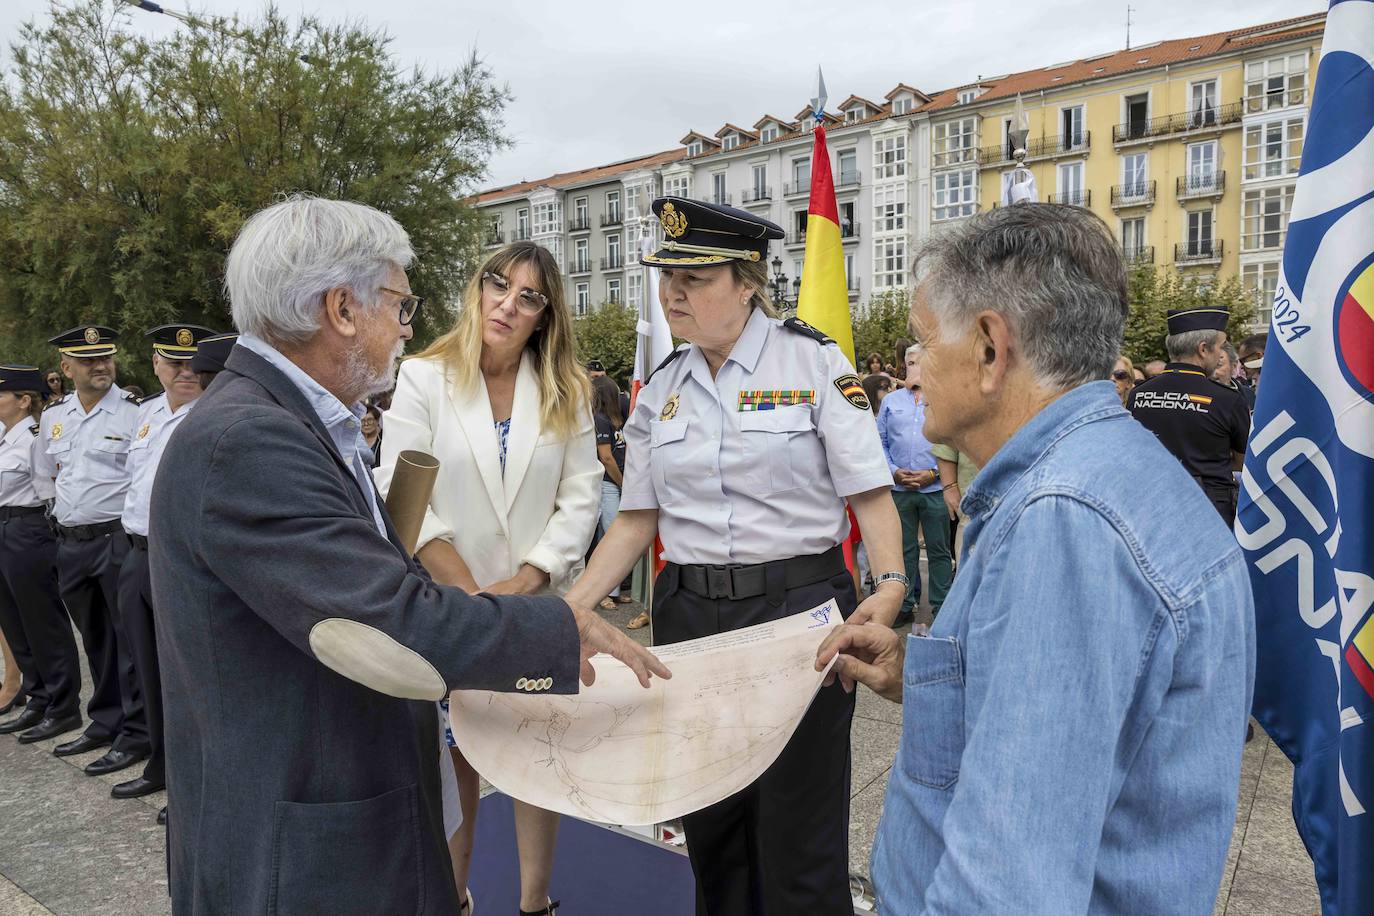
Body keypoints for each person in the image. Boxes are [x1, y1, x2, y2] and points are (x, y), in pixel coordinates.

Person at [150, 196, 666, 915]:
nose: (406, 324)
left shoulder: (281, 421)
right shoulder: (249, 440)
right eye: (397, 302)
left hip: (329, 818)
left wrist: (530, 586)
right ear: (340, 309)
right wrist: (559, 627)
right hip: (300, 855)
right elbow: (389, 614)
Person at [816, 204, 1254, 914]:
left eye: (923, 343)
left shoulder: (1064, 522)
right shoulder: (1102, 472)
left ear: (991, 348)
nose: (914, 370)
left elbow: (1007, 884)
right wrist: (915, 674)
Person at [563, 197, 906, 915]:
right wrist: (571, 609)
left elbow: (870, 494)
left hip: (799, 616)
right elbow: (635, 520)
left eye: (696, 279)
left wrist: (893, 583)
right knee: (712, 825)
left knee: (797, 834)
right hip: (692, 621)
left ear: (748, 282)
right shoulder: (663, 389)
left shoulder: (812, 361)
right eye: (666, 278)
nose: (673, 294)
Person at [377, 239, 603, 916]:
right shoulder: (424, 376)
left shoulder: (569, 389)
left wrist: (529, 582)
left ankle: (536, 903)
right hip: (448, 607)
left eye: (529, 295)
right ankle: (456, 903)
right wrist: (472, 597)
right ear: (477, 289)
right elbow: (406, 492)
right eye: (497, 284)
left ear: (545, 313)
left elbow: (582, 497)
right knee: (457, 771)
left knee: (538, 757)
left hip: (533, 605)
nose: (508, 303)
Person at [111, 325, 217, 820]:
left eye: (193, 362)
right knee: (145, 668)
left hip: (181, 559)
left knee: (188, 676)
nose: (185, 372)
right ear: (156, 363)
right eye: (174, 362)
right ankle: (161, 765)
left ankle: (196, 786)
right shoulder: (147, 415)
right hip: (134, 552)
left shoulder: (216, 415)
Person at [35, 327, 147, 775]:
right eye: (88, 361)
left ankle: (138, 733)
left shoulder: (136, 413)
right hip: (72, 541)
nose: (101, 366)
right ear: (66, 369)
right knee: (95, 639)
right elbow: (46, 473)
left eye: (106, 359)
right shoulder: (53, 416)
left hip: (116, 539)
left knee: (129, 642)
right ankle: (106, 722)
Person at [0, 366, 83, 743]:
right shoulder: (4, 436)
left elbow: (48, 486)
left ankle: (63, 706)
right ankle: (38, 696)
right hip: (3, 528)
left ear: (23, 400)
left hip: (28, 528)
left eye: (1, 395)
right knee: (14, 619)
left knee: (41, 619)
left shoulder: (34, 437)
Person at [1128, 307, 1250, 525]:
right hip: (1209, 511)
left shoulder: (1138, 394)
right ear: (1203, 349)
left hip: (1151, 506)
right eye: (1220, 347)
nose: (1221, 353)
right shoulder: (1227, 399)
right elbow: (1243, 463)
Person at [877, 347, 953, 625]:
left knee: (939, 549)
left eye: (919, 362)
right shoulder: (891, 401)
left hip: (933, 489)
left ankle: (942, 606)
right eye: (910, 363)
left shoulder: (944, 398)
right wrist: (894, 471)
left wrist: (933, 474)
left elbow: (951, 441)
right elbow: (880, 442)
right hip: (900, 490)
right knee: (903, 550)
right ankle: (905, 603)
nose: (914, 367)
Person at [590, 374, 637, 619]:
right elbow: (606, 457)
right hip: (610, 484)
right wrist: (623, 483)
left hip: (619, 483)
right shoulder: (600, 420)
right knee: (612, 538)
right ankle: (605, 593)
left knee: (608, 536)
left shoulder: (616, 419)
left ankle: (615, 590)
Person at [931, 443, 979, 563]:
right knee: (968, 575)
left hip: (1026, 502)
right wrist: (949, 487)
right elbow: (945, 444)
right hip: (973, 505)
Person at [1213, 342, 1255, 410]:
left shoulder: (1249, 395)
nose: (1213, 373)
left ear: (1234, 366)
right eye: (1208, 367)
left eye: (1218, 366)